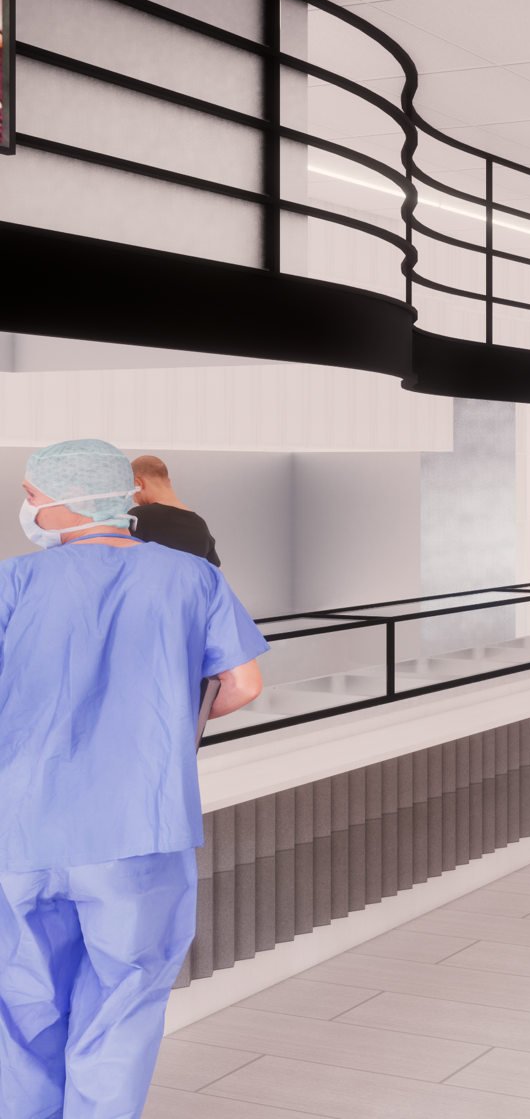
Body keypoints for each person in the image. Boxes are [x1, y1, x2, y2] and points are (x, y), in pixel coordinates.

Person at [1, 439, 266, 1119]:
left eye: (32, 495)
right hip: (138, 829)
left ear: (67, 500)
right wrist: (167, 726)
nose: (27, 508)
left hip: (22, 828)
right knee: (122, 1001)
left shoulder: (13, 583)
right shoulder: (192, 577)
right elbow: (243, 683)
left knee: (20, 1002)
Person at [128, 455, 220, 566]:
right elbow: (217, 573)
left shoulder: (139, 517)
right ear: (168, 481)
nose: (134, 499)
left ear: (138, 483)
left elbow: (122, 561)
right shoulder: (200, 524)